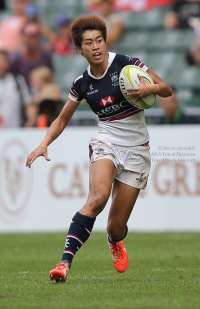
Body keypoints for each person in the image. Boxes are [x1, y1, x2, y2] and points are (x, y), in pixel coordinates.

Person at [26, 15, 172, 282]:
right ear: (79, 49)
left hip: (137, 149)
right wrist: (43, 144)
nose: (96, 47)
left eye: (99, 40)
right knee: (96, 199)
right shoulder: (82, 84)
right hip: (107, 142)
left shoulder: (126, 64)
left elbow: (166, 90)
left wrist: (150, 88)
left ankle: (114, 241)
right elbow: (62, 118)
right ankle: (64, 264)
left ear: (105, 42)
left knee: (116, 227)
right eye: (89, 43)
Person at [9, 20, 53, 87]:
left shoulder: (47, 56)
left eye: (37, 35)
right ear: (23, 36)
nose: (34, 39)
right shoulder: (13, 58)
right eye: (30, 36)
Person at [0, 49, 36, 128]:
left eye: (4, 61)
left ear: (8, 63)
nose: (1, 64)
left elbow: (28, 105)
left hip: (14, 131)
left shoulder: (17, 80)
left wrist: (28, 125)